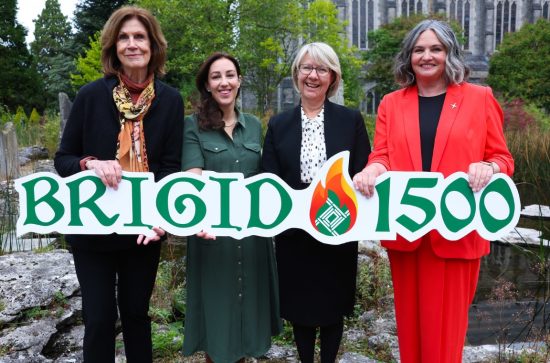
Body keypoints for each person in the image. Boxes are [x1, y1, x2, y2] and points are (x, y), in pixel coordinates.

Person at [352, 19, 514, 363]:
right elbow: (382, 154)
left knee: (445, 338)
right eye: (419, 50)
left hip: (456, 234)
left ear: (449, 54)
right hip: (407, 235)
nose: (427, 56)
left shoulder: (479, 98)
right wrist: (372, 169)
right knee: (410, 334)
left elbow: (503, 158)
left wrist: (489, 167)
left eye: (436, 49)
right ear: (409, 57)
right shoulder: (391, 104)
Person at [54, 6, 183, 362]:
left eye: (139, 36)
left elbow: (171, 169)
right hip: (92, 229)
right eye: (123, 37)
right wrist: (91, 163)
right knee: (98, 319)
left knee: (137, 316)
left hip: (144, 228)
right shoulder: (91, 96)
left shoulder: (171, 101)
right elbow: (62, 160)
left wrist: (163, 220)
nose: (131, 44)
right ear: (113, 47)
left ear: (153, 45)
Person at [261, 42, 371, 363]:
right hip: (294, 234)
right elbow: (269, 178)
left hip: (337, 229)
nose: (313, 75)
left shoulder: (350, 120)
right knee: (301, 310)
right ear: (297, 75)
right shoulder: (278, 125)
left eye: (321, 69)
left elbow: (362, 170)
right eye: (307, 68)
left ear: (332, 78)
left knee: (333, 308)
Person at [180, 52, 282, 363]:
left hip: (252, 237)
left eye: (230, 75)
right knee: (219, 325)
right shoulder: (193, 126)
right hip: (213, 238)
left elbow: (265, 177)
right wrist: (199, 219)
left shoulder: (253, 126)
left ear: (239, 81)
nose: (224, 82)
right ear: (207, 86)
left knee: (248, 321)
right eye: (216, 77)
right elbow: (192, 179)